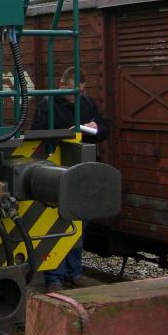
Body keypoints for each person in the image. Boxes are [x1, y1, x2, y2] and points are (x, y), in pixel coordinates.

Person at [31, 67, 109, 292]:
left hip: (82, 170)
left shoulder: (86, 103)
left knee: (79, 223)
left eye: (81, 91)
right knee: (56, 223)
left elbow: (106, 129)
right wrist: (63, 134)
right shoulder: (48, 104)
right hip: (58, 169)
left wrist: (97, 128)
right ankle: (54, 278)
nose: (77, 96)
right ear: (63, 85)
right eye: (74, 91)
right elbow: (37, 137)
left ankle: (74, 273)